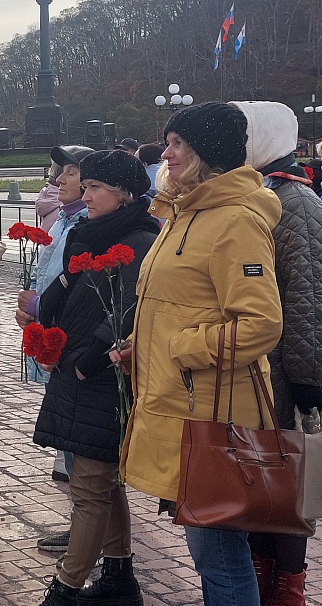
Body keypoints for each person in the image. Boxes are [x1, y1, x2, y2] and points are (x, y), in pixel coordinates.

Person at [117, 102, 284, 606]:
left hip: (213, 413)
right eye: (166, 143)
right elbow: (179, 302)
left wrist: (182, 347)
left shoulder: (235, 221)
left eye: (176, 144)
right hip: (182, 403)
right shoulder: (183, 212)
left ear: (206, 153)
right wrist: (138, 348)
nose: (165, 154)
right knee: (207, 543)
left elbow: (260, 323)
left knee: (217, 548)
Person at [31, 150, 159, 606]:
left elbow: (127, 309)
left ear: (123, 193)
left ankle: (65, 588)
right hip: (79, 370)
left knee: (88, 487)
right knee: (103, 481)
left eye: (94, 188)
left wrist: (90, 359)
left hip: (101, 375)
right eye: (84, 187)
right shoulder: (89, 234)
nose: (85, 196)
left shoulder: (139, 239)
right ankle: (119, 577)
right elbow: (66, 296)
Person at [233, 100, 322, 606]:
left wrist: (308, 378)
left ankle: (286, 587)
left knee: (286, 485)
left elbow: (307, 296)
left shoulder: (296, 202)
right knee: (258, 480)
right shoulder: (258, 195)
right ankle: (262, 575)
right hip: (257, 368)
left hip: (284, 373)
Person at [18, 145, 92, 509]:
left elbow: (78, 289)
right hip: (54, 332)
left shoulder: (86, 224)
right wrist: (35, 310)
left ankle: (90, 529)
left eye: (70, 172)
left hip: (73, 342)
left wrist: (40, 307)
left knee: (84, 445)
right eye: (58, 171)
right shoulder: (65, 218)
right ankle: (82, 521)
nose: (58, 179)